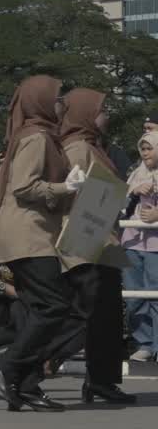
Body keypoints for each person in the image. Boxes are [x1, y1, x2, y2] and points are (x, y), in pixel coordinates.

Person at [0, 75, 83, 412]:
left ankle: (24, 385)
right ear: (39, 101)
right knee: (56, 307)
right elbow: (25, 187)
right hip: (31, 235)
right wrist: (66, 189)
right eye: (56, 98)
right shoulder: (38, 138)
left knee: (40, 309)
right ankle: (8, 367)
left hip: (22, 234)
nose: (61, 104)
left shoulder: (25, 135)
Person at [41, 89, 135, 403]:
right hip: (83, 237)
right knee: (87, 311)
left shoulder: (96, 147)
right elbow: (68, 193)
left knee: (106, 317)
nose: (106, 116)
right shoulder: (77, 147)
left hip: (101, 237)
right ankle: (27, 362)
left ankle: (102, 381)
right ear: (83, 113)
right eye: (101, 110)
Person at [123, 131, 158, 363]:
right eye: (142, 148)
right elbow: (118, 205)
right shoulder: (135, 174)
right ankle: (144, 343)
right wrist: (133, 191)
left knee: (155, 295)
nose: (145, 153)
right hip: (131, 241)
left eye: (150, 148)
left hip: (155, 244)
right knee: (134, 297)